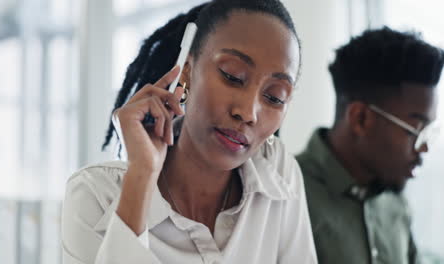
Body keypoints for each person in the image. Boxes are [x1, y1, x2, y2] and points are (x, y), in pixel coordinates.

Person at [62, 0, 318, 263]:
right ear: (186, 72)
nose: (248, 113)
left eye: (275, 97)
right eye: (232, 76)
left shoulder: (278, 172)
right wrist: (141, 177)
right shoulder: (94, 196)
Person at [297, 27, 444, 264]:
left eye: (429, 133)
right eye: (416, 131)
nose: (423, 148)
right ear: (361, 119)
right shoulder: (285, 197)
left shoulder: (394, 199)